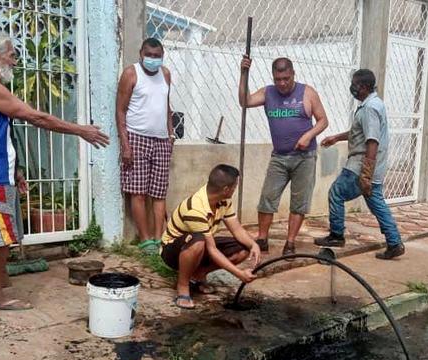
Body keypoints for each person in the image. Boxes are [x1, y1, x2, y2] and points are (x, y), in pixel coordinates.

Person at [0, 31, 109, 323]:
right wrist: (81, 130)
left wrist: (16, 170)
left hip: (0, 173)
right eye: (11, 54)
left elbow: (0, 133)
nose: (15, 60)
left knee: (4, 238)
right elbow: (36, 117)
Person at [239, 56, 328, 256]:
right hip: (279, 157)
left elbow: (323, 121)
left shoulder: (307, 92)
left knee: (299, 202)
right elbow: (244, 101)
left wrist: (308, 135)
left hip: (304, 157)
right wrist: (244, 73)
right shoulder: (268, 92)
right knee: (267, 198)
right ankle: (262, 239)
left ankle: (290, 243)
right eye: (278, 79)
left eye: (286, 78)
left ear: (293, 74)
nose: (282, 83)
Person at [315, 69, 405, 260]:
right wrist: (336, 137)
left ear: (363, 87)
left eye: (355, 85)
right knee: (377, 203)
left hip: (360, 164)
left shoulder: (370, 108)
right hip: (373, 166)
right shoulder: (374, 104)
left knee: (336, 192)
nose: (352, 88)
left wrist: (365, 173)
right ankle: (395, 242)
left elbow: (372, 140)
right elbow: (360, 131)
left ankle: (337, 235)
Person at [161, 164, 261, 309]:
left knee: (244, 247)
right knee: (198, 241)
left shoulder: (224, 201)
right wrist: (239, 274)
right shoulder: (195, 208)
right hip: (173, 251)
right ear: (226, 189)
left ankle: (198, 275)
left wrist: (254, 245)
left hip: (202, 244)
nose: (235, 189)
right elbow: (212, 250)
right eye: (235, 186)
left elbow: (237, 230)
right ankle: (182, 286)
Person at [116, 37, 175, 255]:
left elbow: (166, 106)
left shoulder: (166, 74)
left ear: (162, 55)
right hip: (136, 137)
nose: (152, 59)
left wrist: (170, 135)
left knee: (159, 193)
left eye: (157, 56)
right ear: (141, 53)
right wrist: (126, 145)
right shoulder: (131, 74)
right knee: (138, 192)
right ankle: (145, 240)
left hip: (161, 139)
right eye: (148, 55)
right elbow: (120, 110)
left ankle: (159, 239)